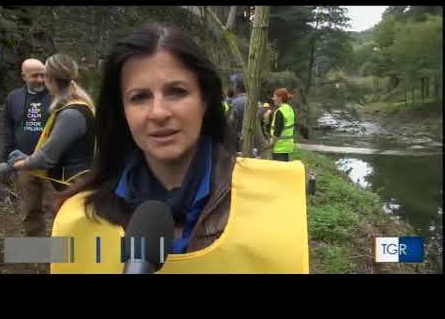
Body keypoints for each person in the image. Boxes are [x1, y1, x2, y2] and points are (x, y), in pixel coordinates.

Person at [50, 23, 308, 274]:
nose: (159, 112)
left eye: (176, 92)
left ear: (205, 100)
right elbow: (35, 253)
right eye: (139, 97)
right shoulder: (78, 215)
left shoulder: (273, 205)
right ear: (122, 112)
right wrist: (16, 250)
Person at [0, 54, 96, 196]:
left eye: (43, 75)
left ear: (49, 79)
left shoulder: (71, 114)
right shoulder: (72, 106)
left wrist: (10, 165)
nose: (40, 80)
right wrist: (26, 157)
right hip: (71, 182)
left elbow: (46, 158)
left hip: (74, 185)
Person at [0, 58, 53, 236]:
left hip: (52, 164)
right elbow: (9, 131)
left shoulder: (55, 95)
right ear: (23, 76)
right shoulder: (13, 98)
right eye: (35, 76)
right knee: (31, 210)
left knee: (58, 208)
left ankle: (63, 256)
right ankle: (37, 254)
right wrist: (7, 160)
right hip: (24, 164)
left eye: (43, 75)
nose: (40, 80)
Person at [270, 88, 295, 162]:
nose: (273, 99)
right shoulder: (289, 109)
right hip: (286, 146)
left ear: (280, 98)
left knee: (278, 171)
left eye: (274, 96)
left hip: (279, 147)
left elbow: (277, 133)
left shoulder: (280, 112)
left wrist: (271, 144)